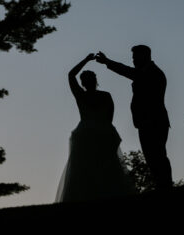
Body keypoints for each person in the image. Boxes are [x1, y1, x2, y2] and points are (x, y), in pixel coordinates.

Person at [56, 53, 135, 203]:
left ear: (83, 83)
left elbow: (71, 75)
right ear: (95, 81)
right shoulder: (106, 96)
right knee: (106, 167)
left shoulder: (81, 95)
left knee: (83, 169)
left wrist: (86, 60)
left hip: (85, 134)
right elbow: (109, 118)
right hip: (104, 132)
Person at [95, 45, 173, 189]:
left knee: (158, 156)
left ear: (145, 56)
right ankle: (162, 185)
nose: (133, 60)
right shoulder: (145, 72)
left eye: (135, 57)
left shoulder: (153, 73)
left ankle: (166, 186)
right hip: (145, 122)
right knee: (152, 157)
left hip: (154, 122)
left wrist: (107, 62)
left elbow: (128, 72)